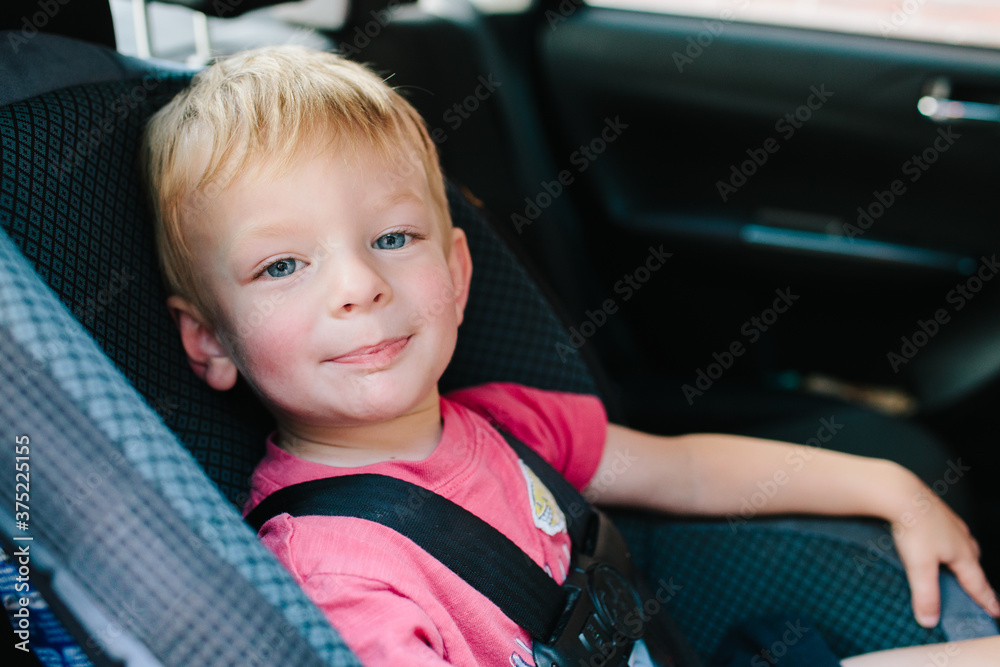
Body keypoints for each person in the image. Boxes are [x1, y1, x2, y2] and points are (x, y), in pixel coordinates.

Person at [141, 45, 1000, 666]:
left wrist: (889, 486)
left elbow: (685, 471)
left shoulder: (505, 426)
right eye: (282, 265)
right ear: (209, 341)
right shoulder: (333, 575)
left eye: (392, 238)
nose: (358, 285)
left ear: (457, 272)